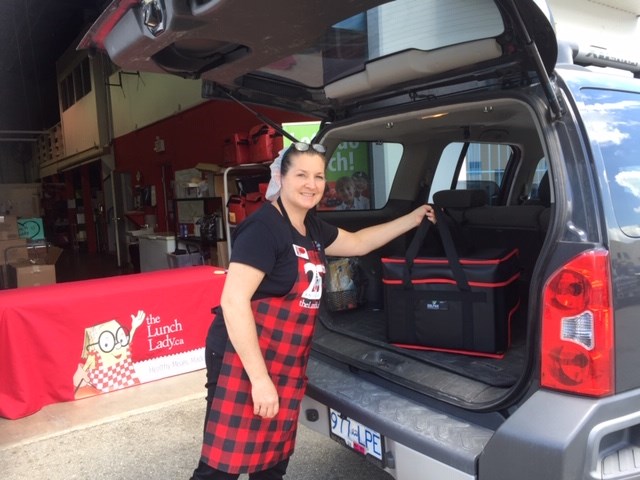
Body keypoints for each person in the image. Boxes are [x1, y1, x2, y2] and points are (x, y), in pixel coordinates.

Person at [189, 142, 436, 480]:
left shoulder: (313, 228)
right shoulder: (263, 229)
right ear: (280, 176)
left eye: (318, 176)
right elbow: (234, 302)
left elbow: (360, 242)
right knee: (222, 465)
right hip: (242, 356)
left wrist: (413, 218)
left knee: (271, 457)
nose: (312, 184)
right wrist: (259, 380)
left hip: (285, 358)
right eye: (301, 175)